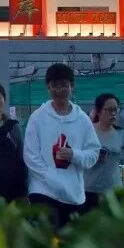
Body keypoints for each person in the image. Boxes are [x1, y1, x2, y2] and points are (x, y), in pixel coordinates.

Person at [22, 63, 101, 229]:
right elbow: (30, 155)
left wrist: (74, 155)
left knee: (70, 241)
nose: (59, 90)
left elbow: (94, 153)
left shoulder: (82, 119)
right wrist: (51, 179)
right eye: (54, 86)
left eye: (64, 85)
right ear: (48, 88)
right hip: (43, 192)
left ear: (72, 86)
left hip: (74, 195)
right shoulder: (38, 117)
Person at [83, 93, 124, 213]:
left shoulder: (121, 134)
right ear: (98, 111)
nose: (113, 113)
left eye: (116, 109)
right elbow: (76, 155)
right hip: (89, 190)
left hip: (114, 192)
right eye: (109, 110)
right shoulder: (87, 131)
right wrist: (92, 157)